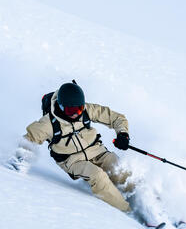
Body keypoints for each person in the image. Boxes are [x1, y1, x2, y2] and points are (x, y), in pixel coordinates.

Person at [8, 81, 133, 213]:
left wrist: (123, 135)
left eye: (79, 109)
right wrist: (20, 160)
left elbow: (116, 118)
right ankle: (127, 213)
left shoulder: (87, 110)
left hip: (97, 151)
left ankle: (142, 201)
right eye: (70, 110)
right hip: (72, 161)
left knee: (118, 167)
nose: (76, 114)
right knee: (97, 175)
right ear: (61, 106)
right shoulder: (48, 123)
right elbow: (29, 139)